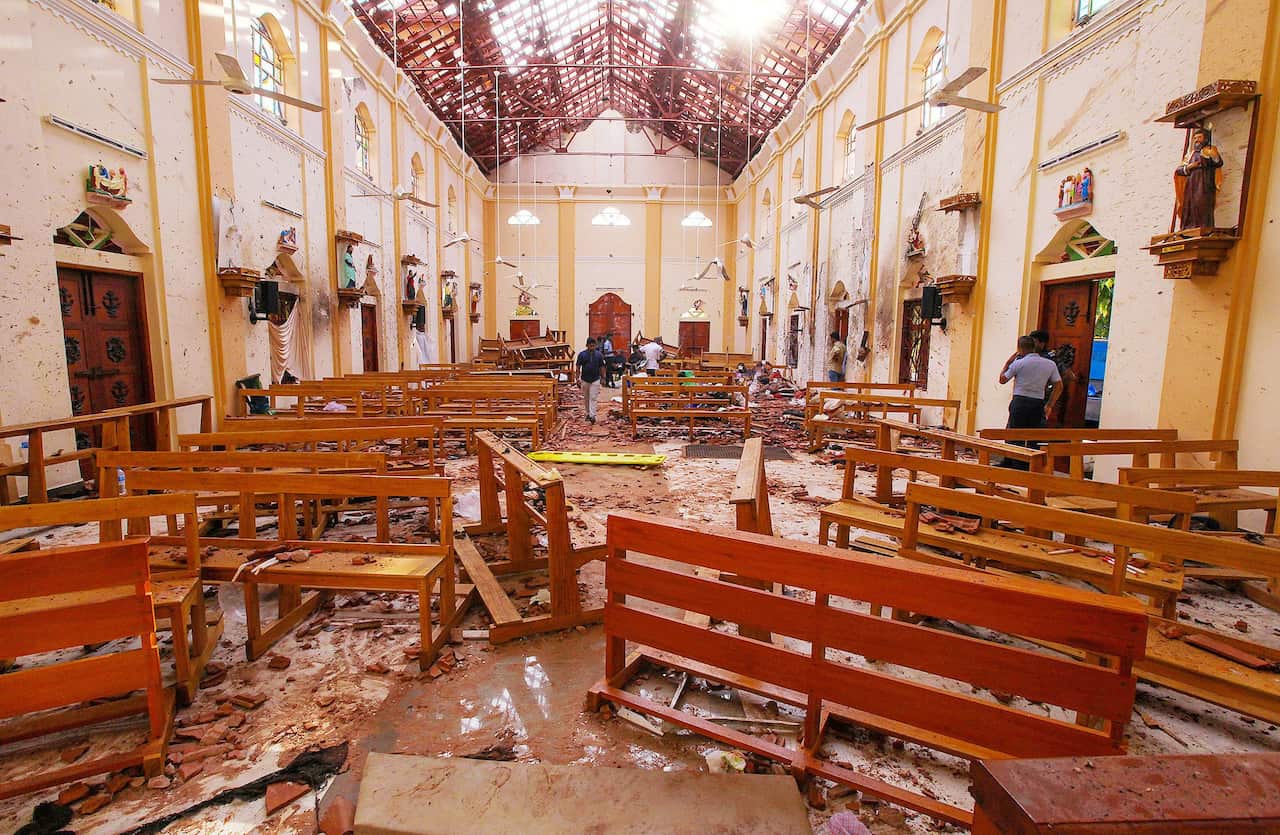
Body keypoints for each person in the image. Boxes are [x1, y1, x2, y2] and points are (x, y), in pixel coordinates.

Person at [999, 334, 1061, 436]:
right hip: (1037, 403)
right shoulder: (1050, 364)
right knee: (1034, 436)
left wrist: (1008, 363)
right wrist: (1049, 405)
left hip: (1019, 402)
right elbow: (1059, 386)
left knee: (1015, 436)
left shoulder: (1018, 363)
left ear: (1019, 348)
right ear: (1034, 347)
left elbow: (1002, 380)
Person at [575, 337, 605, 424]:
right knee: (586, 397)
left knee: (593, 397)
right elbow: (578, 367)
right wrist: (577, 379)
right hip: (585, 379)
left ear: (595, 346)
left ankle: (592, 415)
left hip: (595, 379)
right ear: (587, 345)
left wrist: (603, 377)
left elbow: (602, 366)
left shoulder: (599, 355)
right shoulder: (582, 355)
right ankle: (588, 413)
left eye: (593, 346)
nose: (592, 347)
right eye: (590, 346)